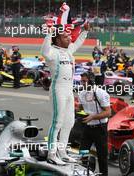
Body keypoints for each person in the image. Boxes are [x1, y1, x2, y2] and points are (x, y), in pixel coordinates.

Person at [41, 24, 89, 165]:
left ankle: (62, 152)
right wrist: (49, 34)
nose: (69, 38)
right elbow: (44, 51)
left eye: (69, 36)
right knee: (57, 123)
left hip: (69, 89)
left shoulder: (68, 51)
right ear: (57, 40)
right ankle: (51, 154)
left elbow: (78, 42)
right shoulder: (52, 52)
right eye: (65, 37)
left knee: (69, 122)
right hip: (58, 89)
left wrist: (85, 31)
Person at [77, 72, 111, 176]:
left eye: (84, 81)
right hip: (87, 127)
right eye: (81, 81)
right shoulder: (81, 94)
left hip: (100, 128)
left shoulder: (100, 93)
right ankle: (85, 173)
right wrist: (78, 112)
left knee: (102, 156)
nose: (82, 83)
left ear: (91, 81)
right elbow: (81, 109)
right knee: (83, 152)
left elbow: (108, 112)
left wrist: (93, 116)